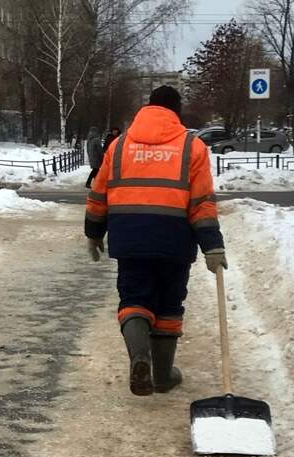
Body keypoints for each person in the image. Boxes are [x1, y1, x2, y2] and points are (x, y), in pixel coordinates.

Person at [84, 86, 227, 396]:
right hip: (174, 240)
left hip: (130, 238)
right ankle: (162, 376)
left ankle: (139, 357)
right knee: (168, 304)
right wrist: (212, 245)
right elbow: (201, 202)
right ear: (175, 112)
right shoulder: (193, 147)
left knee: (135, 298)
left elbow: (99, 193)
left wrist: (94, 232)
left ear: (148, 108)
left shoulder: (119, 146)